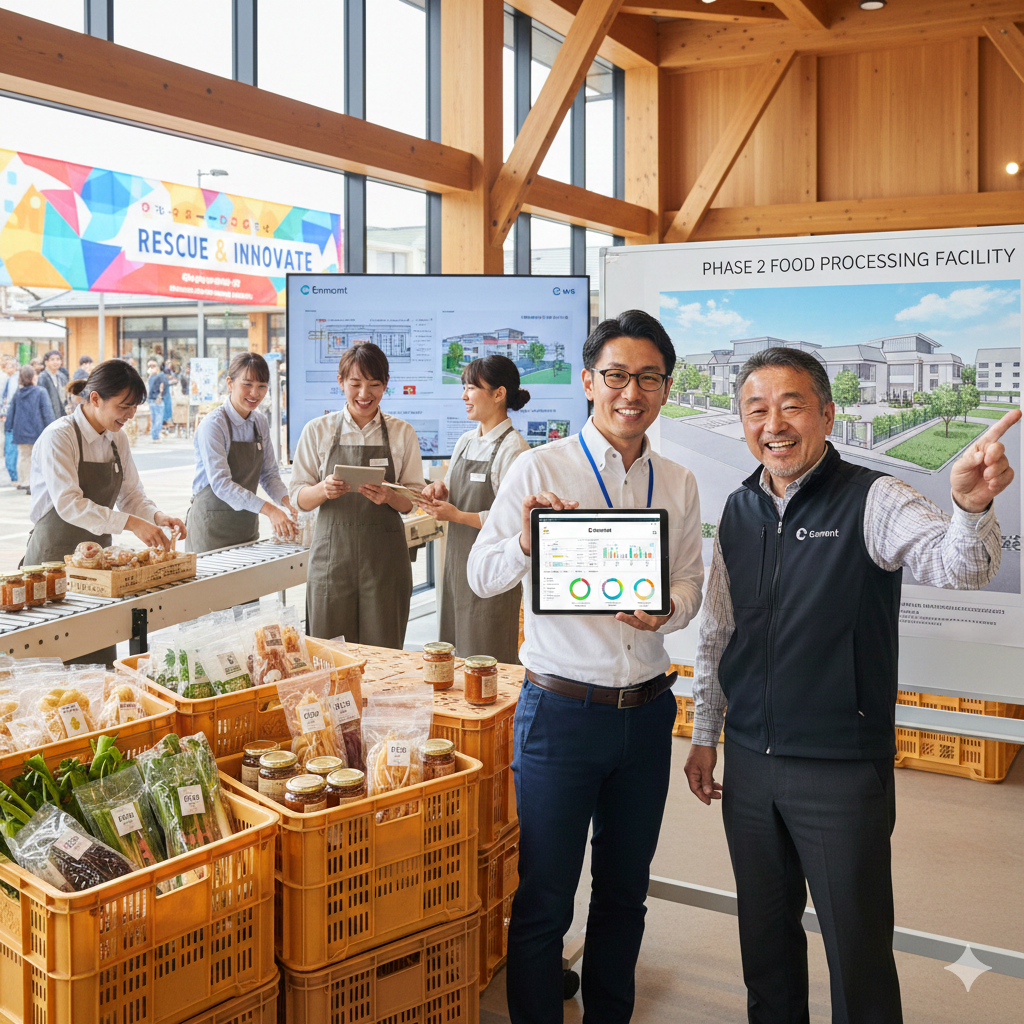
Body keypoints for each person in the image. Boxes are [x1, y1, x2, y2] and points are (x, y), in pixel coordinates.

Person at [684, 346, 1020, 1024]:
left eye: (791, 405)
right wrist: (705, 731)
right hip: (750, 765)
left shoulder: (875, 498)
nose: (772, 424)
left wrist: (967, 507)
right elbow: (719, 629)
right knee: (766, 949)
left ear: (827, 415)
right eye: (756, 409)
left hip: (839, 769)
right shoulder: (739, 508)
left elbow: (957, 567)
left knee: (856, 954)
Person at [467, 310, 705, 1024]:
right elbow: (482, 574)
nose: (632, 392)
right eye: (617, 376)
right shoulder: (539, 468)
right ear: (588, 381)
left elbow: (693, 585)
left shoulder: (680, 481)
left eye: (649, 378)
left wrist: (666, 608)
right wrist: (530, 544)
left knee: (625, 893)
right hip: (560, 714)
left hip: (646, 712)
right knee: (544, 898)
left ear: (665, 387)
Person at [26, 359, 187, 664]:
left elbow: (131, 495)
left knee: (97, 655)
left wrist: (156, 517)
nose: (130, 415)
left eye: (134, 407)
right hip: (52, 563)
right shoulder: (59, 437)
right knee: (54, 660)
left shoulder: (118, 438)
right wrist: (130, 523)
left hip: (99, 569)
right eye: (124, 406)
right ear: (95, 398)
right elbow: (69, 504)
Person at [290, 342, 425, 646]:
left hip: (385, 563)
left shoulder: (403, 433)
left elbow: (413, 500)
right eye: (355, 384)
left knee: (384, 649)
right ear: (341, 382)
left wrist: (390, 497)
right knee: (329, 653)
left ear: (385, 385)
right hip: (331, 562)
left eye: (374, 385)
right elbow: (299, 497)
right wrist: (323, 490)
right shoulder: (317, 430)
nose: (364, 394)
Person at [419, 355, 530, 663]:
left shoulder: (515, 449)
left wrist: (455, 515)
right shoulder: (466, 440)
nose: (464, 396)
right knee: (454, 655)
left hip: (494, 569)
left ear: (499, 394)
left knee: (486, 657)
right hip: (458, 564)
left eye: (471, 388)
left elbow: (510, 523)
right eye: (464, 388)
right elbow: (453, 488)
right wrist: (437, 489)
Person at [186, 351, 297, 553]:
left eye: (262, 386)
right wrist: (271, 510)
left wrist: (290, 503)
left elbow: (269, 475)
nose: (255, 393)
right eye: (247, 384)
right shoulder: (213, 424)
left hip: (245, 526)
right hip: (210, 528)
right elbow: (221, 484)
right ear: (230, 383)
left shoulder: (259, 421)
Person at [5, 366, 54, 493]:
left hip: (20, 432)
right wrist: (53, 427)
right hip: (38, 431)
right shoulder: (41, 392)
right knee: (38, 459)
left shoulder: (18, 393)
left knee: (23, 457)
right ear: (33, 377)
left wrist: (8, 427)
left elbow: (11, 412)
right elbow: (46, 411)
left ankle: (25, 482)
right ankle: (36, 483)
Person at [0, 358, 20, 485]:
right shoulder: (9, 379)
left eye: (9, 366)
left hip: (10, 418)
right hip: (9, 417)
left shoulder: (13, 380)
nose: (7, 369)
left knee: (10, 445)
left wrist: (5, 413)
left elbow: (10, 400)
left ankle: (14, 475)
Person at [38, 349, 67, 420]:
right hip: (48, 415)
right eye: (52, 360)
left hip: (61, 414)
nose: (55, 362)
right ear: (46, 362)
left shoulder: (62, 377)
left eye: (58, 359)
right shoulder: (43, 377)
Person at [146, 359, 167, 443]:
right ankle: (155, 436)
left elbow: (163, 387)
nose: (151, 368)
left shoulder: (160, 376)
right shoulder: (151, 377)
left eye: (153, 366)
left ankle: (156, 436)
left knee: (157, 418)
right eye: (149, 366)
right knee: (155, 418)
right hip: (152, 399)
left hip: (157, 399)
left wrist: (159, 397)